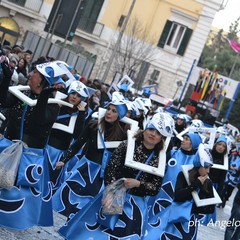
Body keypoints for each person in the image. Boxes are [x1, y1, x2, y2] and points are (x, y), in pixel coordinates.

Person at [57, 112, 175, 240]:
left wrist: (138, 184)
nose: (153, 134)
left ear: (162, 138)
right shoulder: (127, 144)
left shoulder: (161, 158)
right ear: (145, 129)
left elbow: (155, 187)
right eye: (152, 129)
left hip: (135, 206)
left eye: (158, 133)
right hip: (114, 195)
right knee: (94, 233)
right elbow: (111, 169)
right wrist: (111, 192)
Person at [0, 59, 69, 230]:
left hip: (28, 156)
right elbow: (3, 102)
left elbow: (39, 120)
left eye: (36, 73)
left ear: (43, 80)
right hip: (7, 147)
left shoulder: (53, 106)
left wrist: (45, 94)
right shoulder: (23, 92)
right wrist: (6, 77)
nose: (31, 75)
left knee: (14, 190)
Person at [52, 97, 129, 219]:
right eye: (108, 109)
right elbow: (77, 143)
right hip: (84, 170)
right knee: (71, 202)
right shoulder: (94, 125)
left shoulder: (123, 136)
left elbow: (121, 162)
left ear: (119, 115)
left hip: (102, 176)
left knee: (88, 210)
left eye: (114, 111)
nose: (109, 112)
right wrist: (64, 160)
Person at [46, 80, 89, 192]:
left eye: (78, 96)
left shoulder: (80, 114)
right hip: (45, 148)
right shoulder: (57, 104)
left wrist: (81, 115)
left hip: (60, 153)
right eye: (73, 93)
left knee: (50, 184)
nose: (74, 97)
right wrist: (55, 108)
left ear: (82, 99)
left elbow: (77, 136)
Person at [209, 135, 228, 201]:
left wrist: (219, 194)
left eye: (224, 146)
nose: (221, 147)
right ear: (216, 144)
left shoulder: (225, 160)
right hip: (202, 182)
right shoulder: (208, 153)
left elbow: (222, 178)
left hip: (214, 186)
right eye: (220, 144)